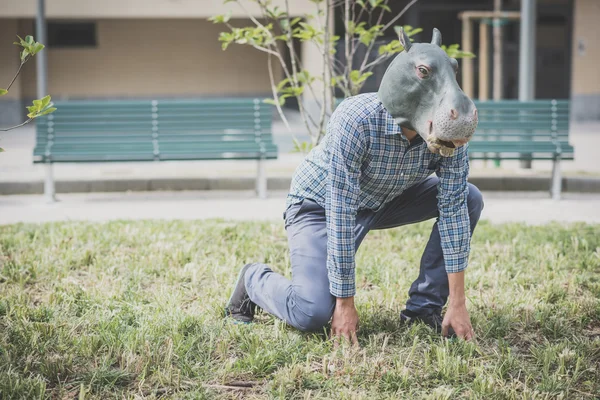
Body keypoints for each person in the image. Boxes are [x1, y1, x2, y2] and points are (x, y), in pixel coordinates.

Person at [225, 28, 483, 343]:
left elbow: (454, 206)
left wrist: (458, 303)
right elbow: (340, 209)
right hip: (319, 206)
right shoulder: (356, 119)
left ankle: (424, 309)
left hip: (386, 199)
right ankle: (253, 280)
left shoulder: (445, 127)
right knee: (313, 313)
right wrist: (345, 303)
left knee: (469, 198)